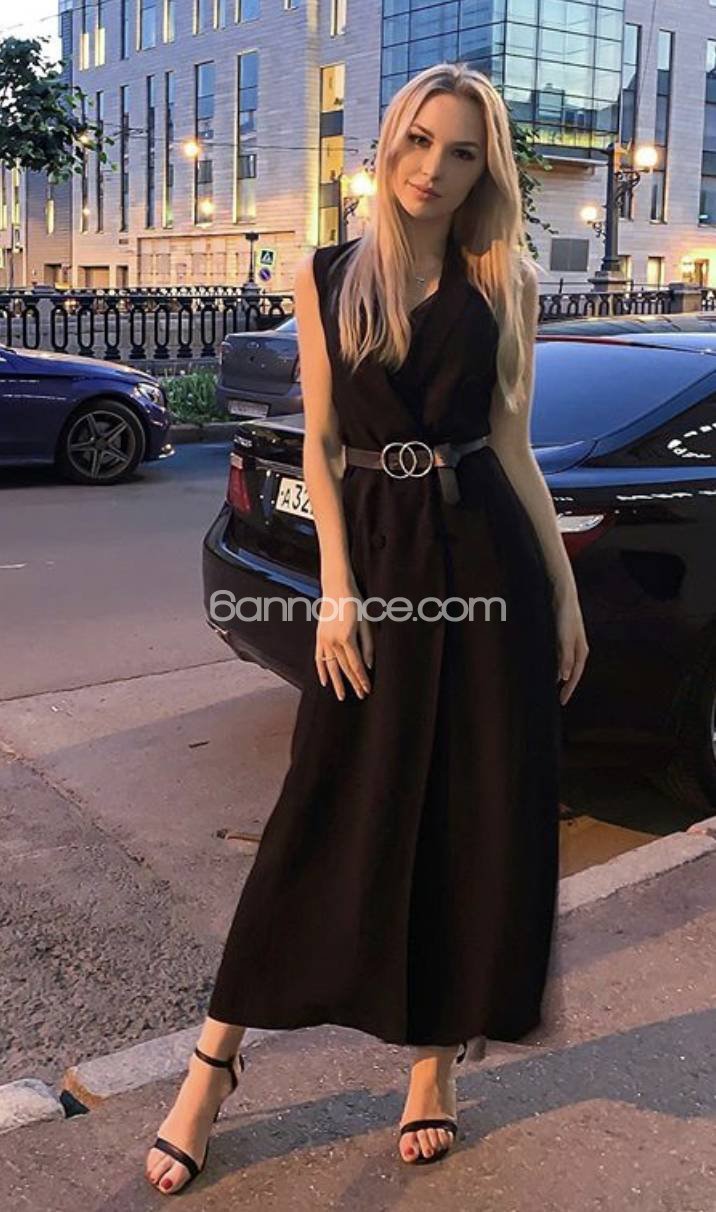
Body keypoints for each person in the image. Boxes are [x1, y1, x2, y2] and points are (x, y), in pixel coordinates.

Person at [145, 60, 588, 1194]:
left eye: (461, 152)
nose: (433, 168)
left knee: (468, 813)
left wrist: (564, 591)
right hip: (379, 561)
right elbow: (322, 443)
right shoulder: (329, 273)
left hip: (485, 556)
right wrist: (336, 592)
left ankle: (431, 1066)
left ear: (485, 169)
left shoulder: (503, 278)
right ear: (387, 145)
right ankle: (212, 1066)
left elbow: (512, 446)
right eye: (419, 142)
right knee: (321, 799)